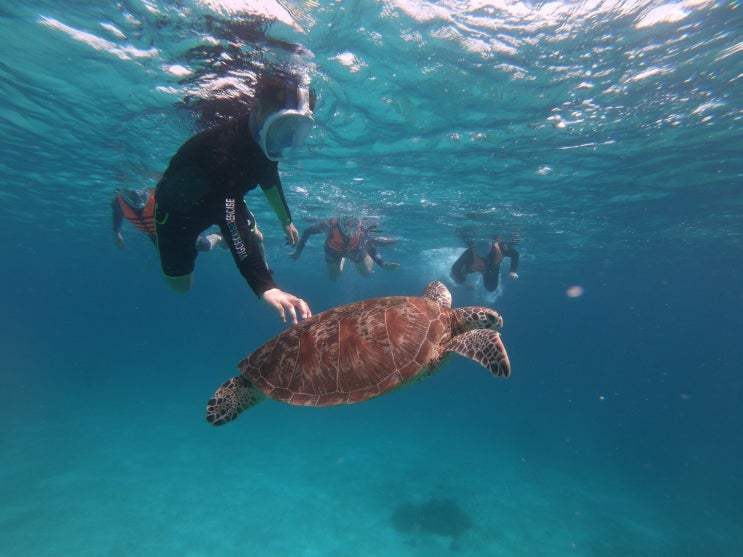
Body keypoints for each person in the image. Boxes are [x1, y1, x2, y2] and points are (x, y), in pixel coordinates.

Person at [153, 74, 315, 324]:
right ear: (257, 109)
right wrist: (265, 287)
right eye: (283, 125)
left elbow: (269, 176)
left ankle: (238, 223)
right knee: (180, 286)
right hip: (178, 215)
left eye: (296, 129)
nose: (286, 138)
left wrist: (286, 220)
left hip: (226, 198)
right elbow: (232, 223)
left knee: (247, 227)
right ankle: (209, 239)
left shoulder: (265, 139)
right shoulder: (224, 155)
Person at [112, 188, 224, 252]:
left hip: (176, 229)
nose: (137, 194)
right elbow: (117, 215)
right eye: (132, 193)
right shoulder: (118, 203)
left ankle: (218, 236)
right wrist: (117, 233)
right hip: (155, 236)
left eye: (140, 192)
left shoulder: (160, 196)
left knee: (203, 246)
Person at [290, 216, 400, 281]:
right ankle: (342, 258)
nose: (350, 229)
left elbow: (371, 247)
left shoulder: (362, 229)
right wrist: (298, 252)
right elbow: (307, 231)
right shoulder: (329, 225)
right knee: (333, 278)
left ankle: (362, 255)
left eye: (353, 225)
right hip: (333, 250)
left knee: (366, 273)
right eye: (347, 225)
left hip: (355, 249)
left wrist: (383, 264)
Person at [450, 236, 519, 292]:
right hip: (473, 266)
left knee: (491, 288)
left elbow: (515, 254)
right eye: (479, 252)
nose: (483, 255)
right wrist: (465, 283)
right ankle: (461, 275)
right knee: (457, 276)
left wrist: (512, 271)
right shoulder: (470, 252)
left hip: (493, 267)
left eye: (485, 252)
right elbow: (454, 268)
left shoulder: (501, 248)